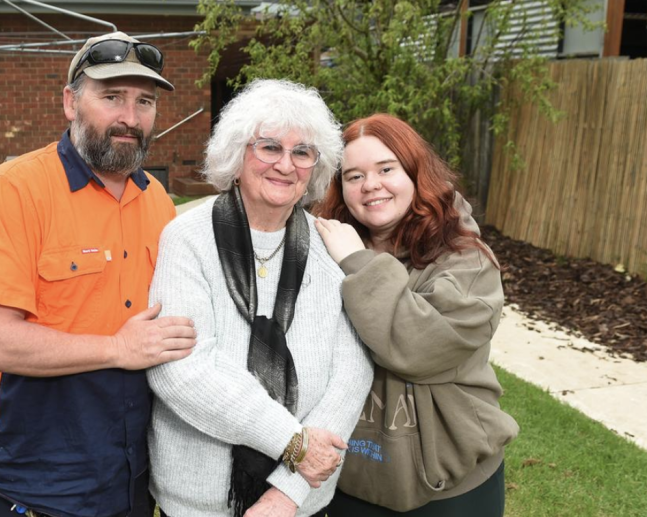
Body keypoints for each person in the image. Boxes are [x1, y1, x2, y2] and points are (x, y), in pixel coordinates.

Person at [0, 32, 197, 517]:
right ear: (70, 102)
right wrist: (117, 349)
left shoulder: (159, 203)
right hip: (41, 476)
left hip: (135, 473)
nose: (130, 117)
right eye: (111, 97)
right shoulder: (13, 191)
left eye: (144, 101)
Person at [146, 79, 374, 517]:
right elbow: (181, 370)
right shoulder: (186, 240)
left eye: (302, 152)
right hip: (198, 501)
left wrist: (288, 491)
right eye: (269, 147)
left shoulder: (333, 249)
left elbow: (352, 372)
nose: (286, 165)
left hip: (301, 500)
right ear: (236, 155)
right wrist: (293, 443)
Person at [312, 113, 519, 517]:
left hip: (451, 488)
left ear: (415, 172)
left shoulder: (467, 262)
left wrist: (357, 262)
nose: (370, 185)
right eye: (353, 176)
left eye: (386, 169)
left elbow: (418, 348)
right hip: (345, 476)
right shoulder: (325, 252)